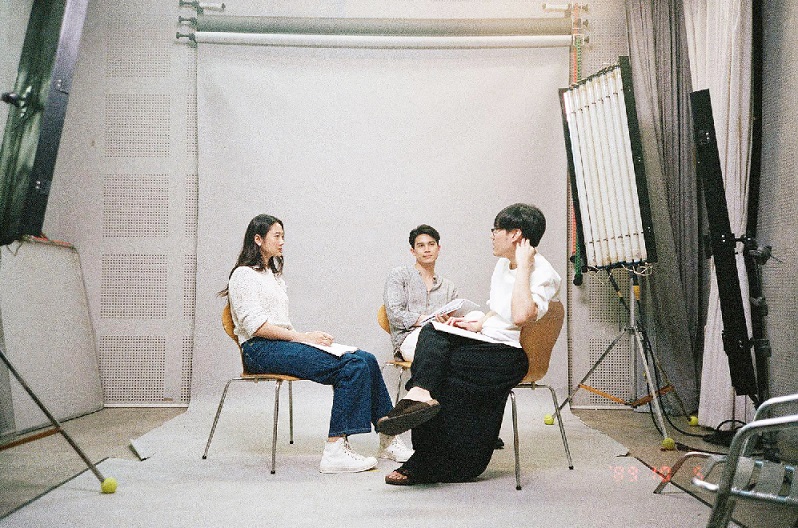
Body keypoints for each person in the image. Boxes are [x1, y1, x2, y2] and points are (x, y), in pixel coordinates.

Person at [376, 203, 562, 485]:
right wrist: (479, 323)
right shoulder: (503, 263)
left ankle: (444, 457)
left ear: (515, 234)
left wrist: (524, 267)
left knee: (440, 368)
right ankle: (420, 397)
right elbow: (500, 311)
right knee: (433, 332)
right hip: (488, 342)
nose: (492, 235)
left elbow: (521, 315)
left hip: (510, 355)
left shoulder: (543, 273)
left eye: (496, 229)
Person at [223, 214, 413, 474]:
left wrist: (309, 336)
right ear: (258, 239)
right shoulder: (243, 275)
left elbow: (281, 325)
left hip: (279, 345)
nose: (282, 241)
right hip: (259, 350)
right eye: (276, 236)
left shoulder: (271, 275)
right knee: (352, 366)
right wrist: (303, 338)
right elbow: (257, 327)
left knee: (366, 359)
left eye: (283, 236)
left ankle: (388, 439)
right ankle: (335, 451)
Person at [383, 224, 459, 362]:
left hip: (443, 338)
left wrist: (451, 321)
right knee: (441, 352)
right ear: (413, 251)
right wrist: (429, 320)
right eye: (421, 246)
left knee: (475, 317)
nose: (427, 249)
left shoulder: (448, 287)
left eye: (431, 244)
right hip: (408, 339)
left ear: (438, 248)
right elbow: (395, 315)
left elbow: (454, 320)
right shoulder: (399, 276)